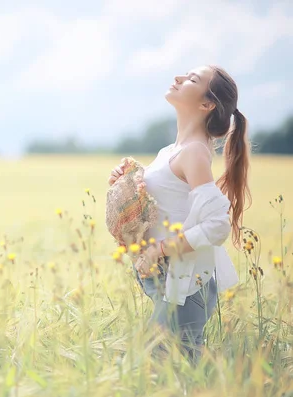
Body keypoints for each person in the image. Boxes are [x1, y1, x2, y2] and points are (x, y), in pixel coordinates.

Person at [107, 65, 250, 364]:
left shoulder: (195, 153)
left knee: (163, 375)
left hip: (186, 283)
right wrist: (125, 183)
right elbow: (161, 205)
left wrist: (160, 249)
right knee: (172, 376)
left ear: (206, 104)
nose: (178, 78)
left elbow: (216, 225)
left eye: (192, 79)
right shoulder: (170, 150)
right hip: (167, 279)